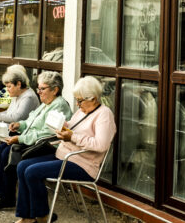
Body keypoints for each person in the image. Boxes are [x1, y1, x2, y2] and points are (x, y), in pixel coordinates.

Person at [14, 76, 116, 223]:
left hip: (83, 164)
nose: (77, 103)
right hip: (64, 155)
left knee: (32, 172)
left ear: (93, 98)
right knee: (22, 165)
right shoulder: (82, 111)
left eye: (80, 100)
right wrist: (62, 126)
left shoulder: (104, 115)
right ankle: (27, 217)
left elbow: (101, 145)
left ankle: (42, 216)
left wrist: (72, 137)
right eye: (76, 99)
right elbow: (73, 128)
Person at [0, 71, 72, 211]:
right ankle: (1, 193)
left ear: (55, 90)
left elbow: (47, 133)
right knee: (2, 148)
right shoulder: (46, 103)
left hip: (47, 146)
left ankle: (6, 197)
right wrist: (20, 125)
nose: (39, 92)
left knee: (7, 151)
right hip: (33, 141)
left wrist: (20, 138)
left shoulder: (59, 105)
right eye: (38, 88)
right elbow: (31, 121)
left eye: (42, 89)